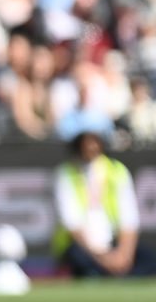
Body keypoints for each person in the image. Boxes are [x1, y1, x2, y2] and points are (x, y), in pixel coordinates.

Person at [52, 119, 156, 279]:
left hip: (112, 242)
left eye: (94, 141)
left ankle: (114, 273)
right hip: (83, 247)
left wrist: (123, 254)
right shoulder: (66, 173)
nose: (90, 147)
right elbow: (72, 224)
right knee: (79, 260)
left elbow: (129, 219)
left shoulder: (116, 171)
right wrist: (104, 259)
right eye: (86, 142)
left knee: (148, 259)